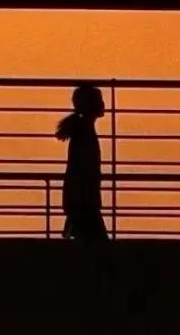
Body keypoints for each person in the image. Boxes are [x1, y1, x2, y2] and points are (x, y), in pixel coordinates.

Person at [55, 84, 108, 242]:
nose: (103, 104)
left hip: (80, 202)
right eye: (99, 100)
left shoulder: (82, 129)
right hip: (85, 203)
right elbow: (83, 169)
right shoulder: (85, 132)